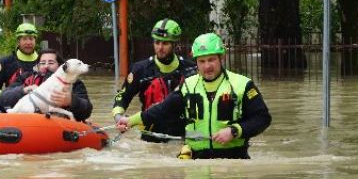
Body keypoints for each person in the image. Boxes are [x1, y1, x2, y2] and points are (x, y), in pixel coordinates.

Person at [116, 32, 271, 159]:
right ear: (196, 62)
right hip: (195, 160)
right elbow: (161, 110)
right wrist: (130, 121)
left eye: (211, 60)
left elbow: (263, 118)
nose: (207, 66)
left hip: (234, 159)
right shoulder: (188, 86)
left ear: (221, 58)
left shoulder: (242, 84)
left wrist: (235, 131)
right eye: (202, 61)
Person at [111, 18, 196, 142]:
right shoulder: (139, 70)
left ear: (175, 44)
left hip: (183, 136)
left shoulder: (191, 69)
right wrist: (119, 117)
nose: (160, 47)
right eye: (157, 42)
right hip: (150, 137)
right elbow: (123, 97)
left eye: (165, 43)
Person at [0, 49, 94, 121]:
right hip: (25, 123)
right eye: (42, 63)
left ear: (60, 66)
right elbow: (2, 98)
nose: (46, 66)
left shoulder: (74, 83)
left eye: (51, 62)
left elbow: (87, 110)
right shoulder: (26, 78)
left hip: (58, 126)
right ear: (37, 66)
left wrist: (72, 101)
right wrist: (23, 90)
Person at [0, 22, 40, 102]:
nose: (28, 43)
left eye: (31, 39)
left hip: (38, 105)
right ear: (18, 41)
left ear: (35, 40)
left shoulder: (43, 61)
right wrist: (3, 96)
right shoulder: (5, 62)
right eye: (24, 39)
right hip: (13, 106)